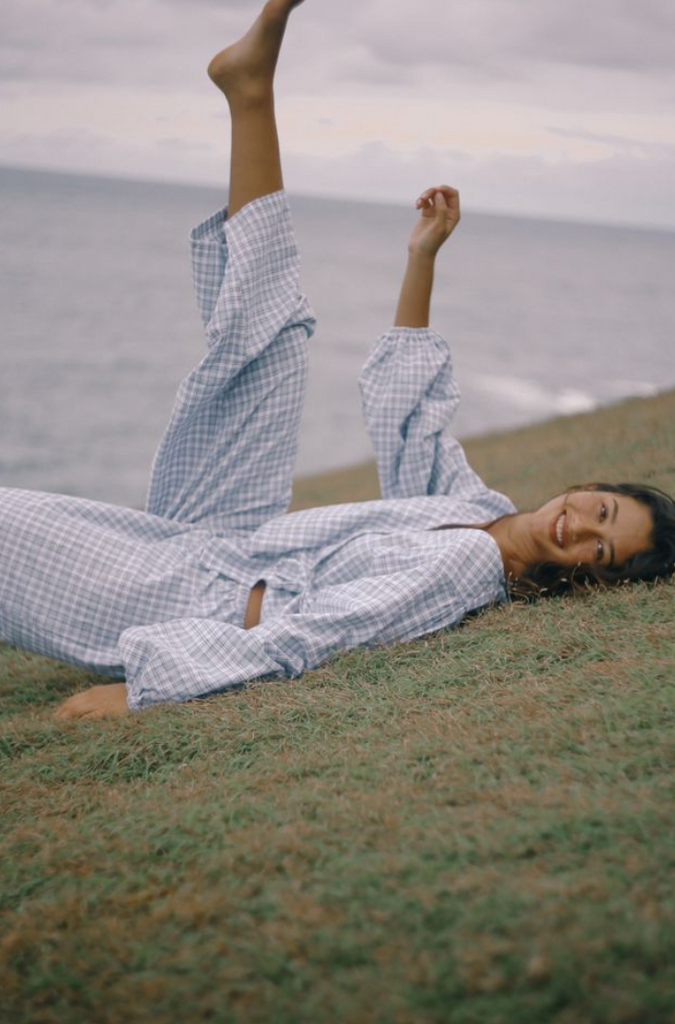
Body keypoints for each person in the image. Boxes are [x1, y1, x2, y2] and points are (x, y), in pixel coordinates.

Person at [2, 0, 672, 721]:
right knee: (274, 341)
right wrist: (421, 258)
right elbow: (409, 417)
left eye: (599, 551)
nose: (580, 529)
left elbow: (324, 632)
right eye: (601, 511)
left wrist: (146, 690)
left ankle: (250, 91)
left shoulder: (467, 568)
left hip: (191, 599)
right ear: (587, 487)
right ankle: (250, 91)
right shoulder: (479, 511)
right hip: (228, 536)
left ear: (584, 579)